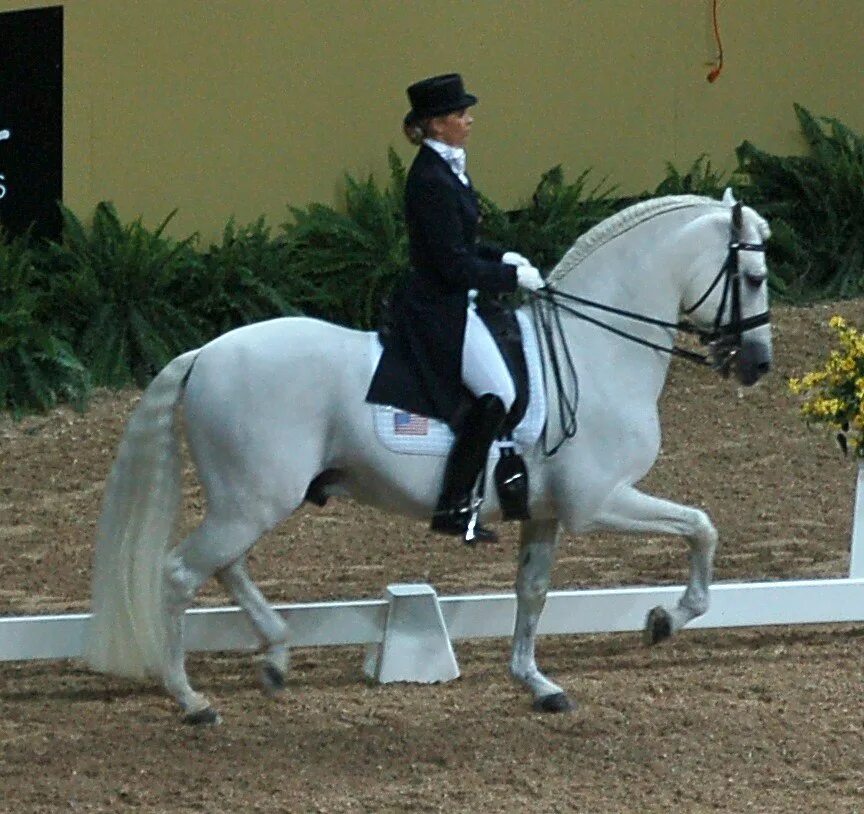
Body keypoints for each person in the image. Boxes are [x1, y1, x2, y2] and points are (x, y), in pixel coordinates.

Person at [366, 73, 545, 543]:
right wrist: (508, 278)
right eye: (460, 113)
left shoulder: (447, 167)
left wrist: (501, 255)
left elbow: (462, 244)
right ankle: (456, 504)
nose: (469, 119)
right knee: (498, 392)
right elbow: (448, 264)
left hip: (456, 298)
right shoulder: (429, 177)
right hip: (437, 307)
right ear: (437, 124)